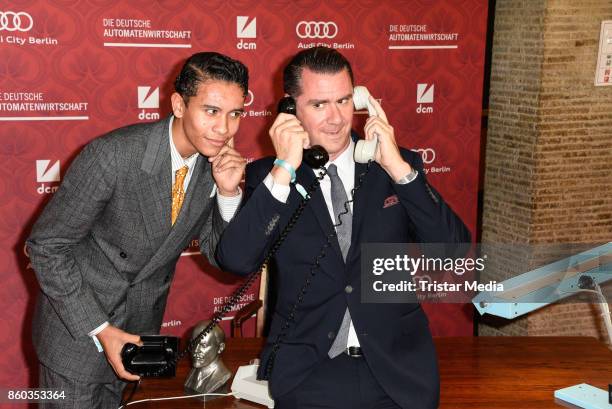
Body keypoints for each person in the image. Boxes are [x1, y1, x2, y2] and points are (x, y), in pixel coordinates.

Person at [216, 47, 470, 409]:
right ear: (290, 109)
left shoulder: (397, 166)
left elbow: (455, 254)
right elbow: (237, 260)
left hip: (398, 375)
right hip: (308, 374)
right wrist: (284, 168)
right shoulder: (269, 178)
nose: (336, 118)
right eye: (319, 104)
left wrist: (397, 167)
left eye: (344, 100)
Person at [26, 51, 248, 408]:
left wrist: (228, 192)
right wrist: (102, 330)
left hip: (136, 338)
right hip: (77, 332)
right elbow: (47, 247)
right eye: (211, 111)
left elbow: (221, 256)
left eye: (235, 113)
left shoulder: (216, 167)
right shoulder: (113, 155)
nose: (224, 129)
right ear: (178, 105)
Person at [184, 320, 231, 399]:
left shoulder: (223, 376)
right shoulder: (194, 371)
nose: (195, 350)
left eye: (203, 345)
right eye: (194, 343)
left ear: (220, 348)